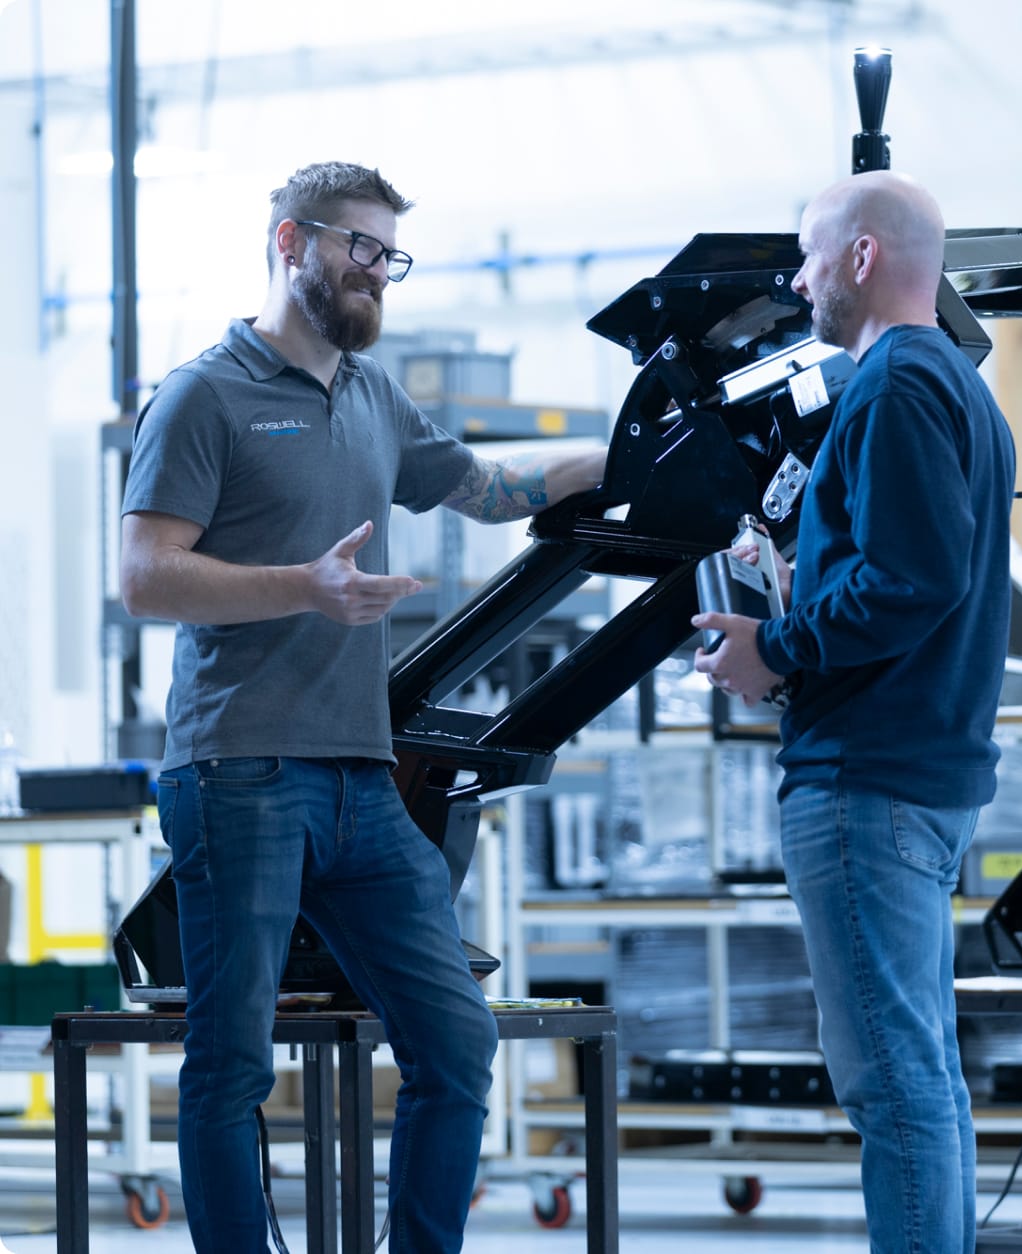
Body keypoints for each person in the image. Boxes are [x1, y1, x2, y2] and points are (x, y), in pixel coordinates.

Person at [119, 161, 605, 1254]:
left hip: (359, 777)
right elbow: (145, 578)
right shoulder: (204, 395)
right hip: (238, 770)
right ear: (292, 243)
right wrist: (306, 587)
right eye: (362, 247)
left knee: (456, 1041)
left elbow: (482, 488)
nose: (379, 272)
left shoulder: (374, 394)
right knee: (232, 1063)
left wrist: (621, 461)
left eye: (392, 255)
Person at [692, 170, 1015, 1254]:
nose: (797, 279)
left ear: (863, 257)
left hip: (865, 779)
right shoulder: (957, 385)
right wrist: (793, 587)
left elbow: (910, 584)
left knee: (891, 1082)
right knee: (921, 1076)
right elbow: (910, 572)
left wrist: (774, 650)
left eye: (809, 254)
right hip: (917, 773)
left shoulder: (892, 387)